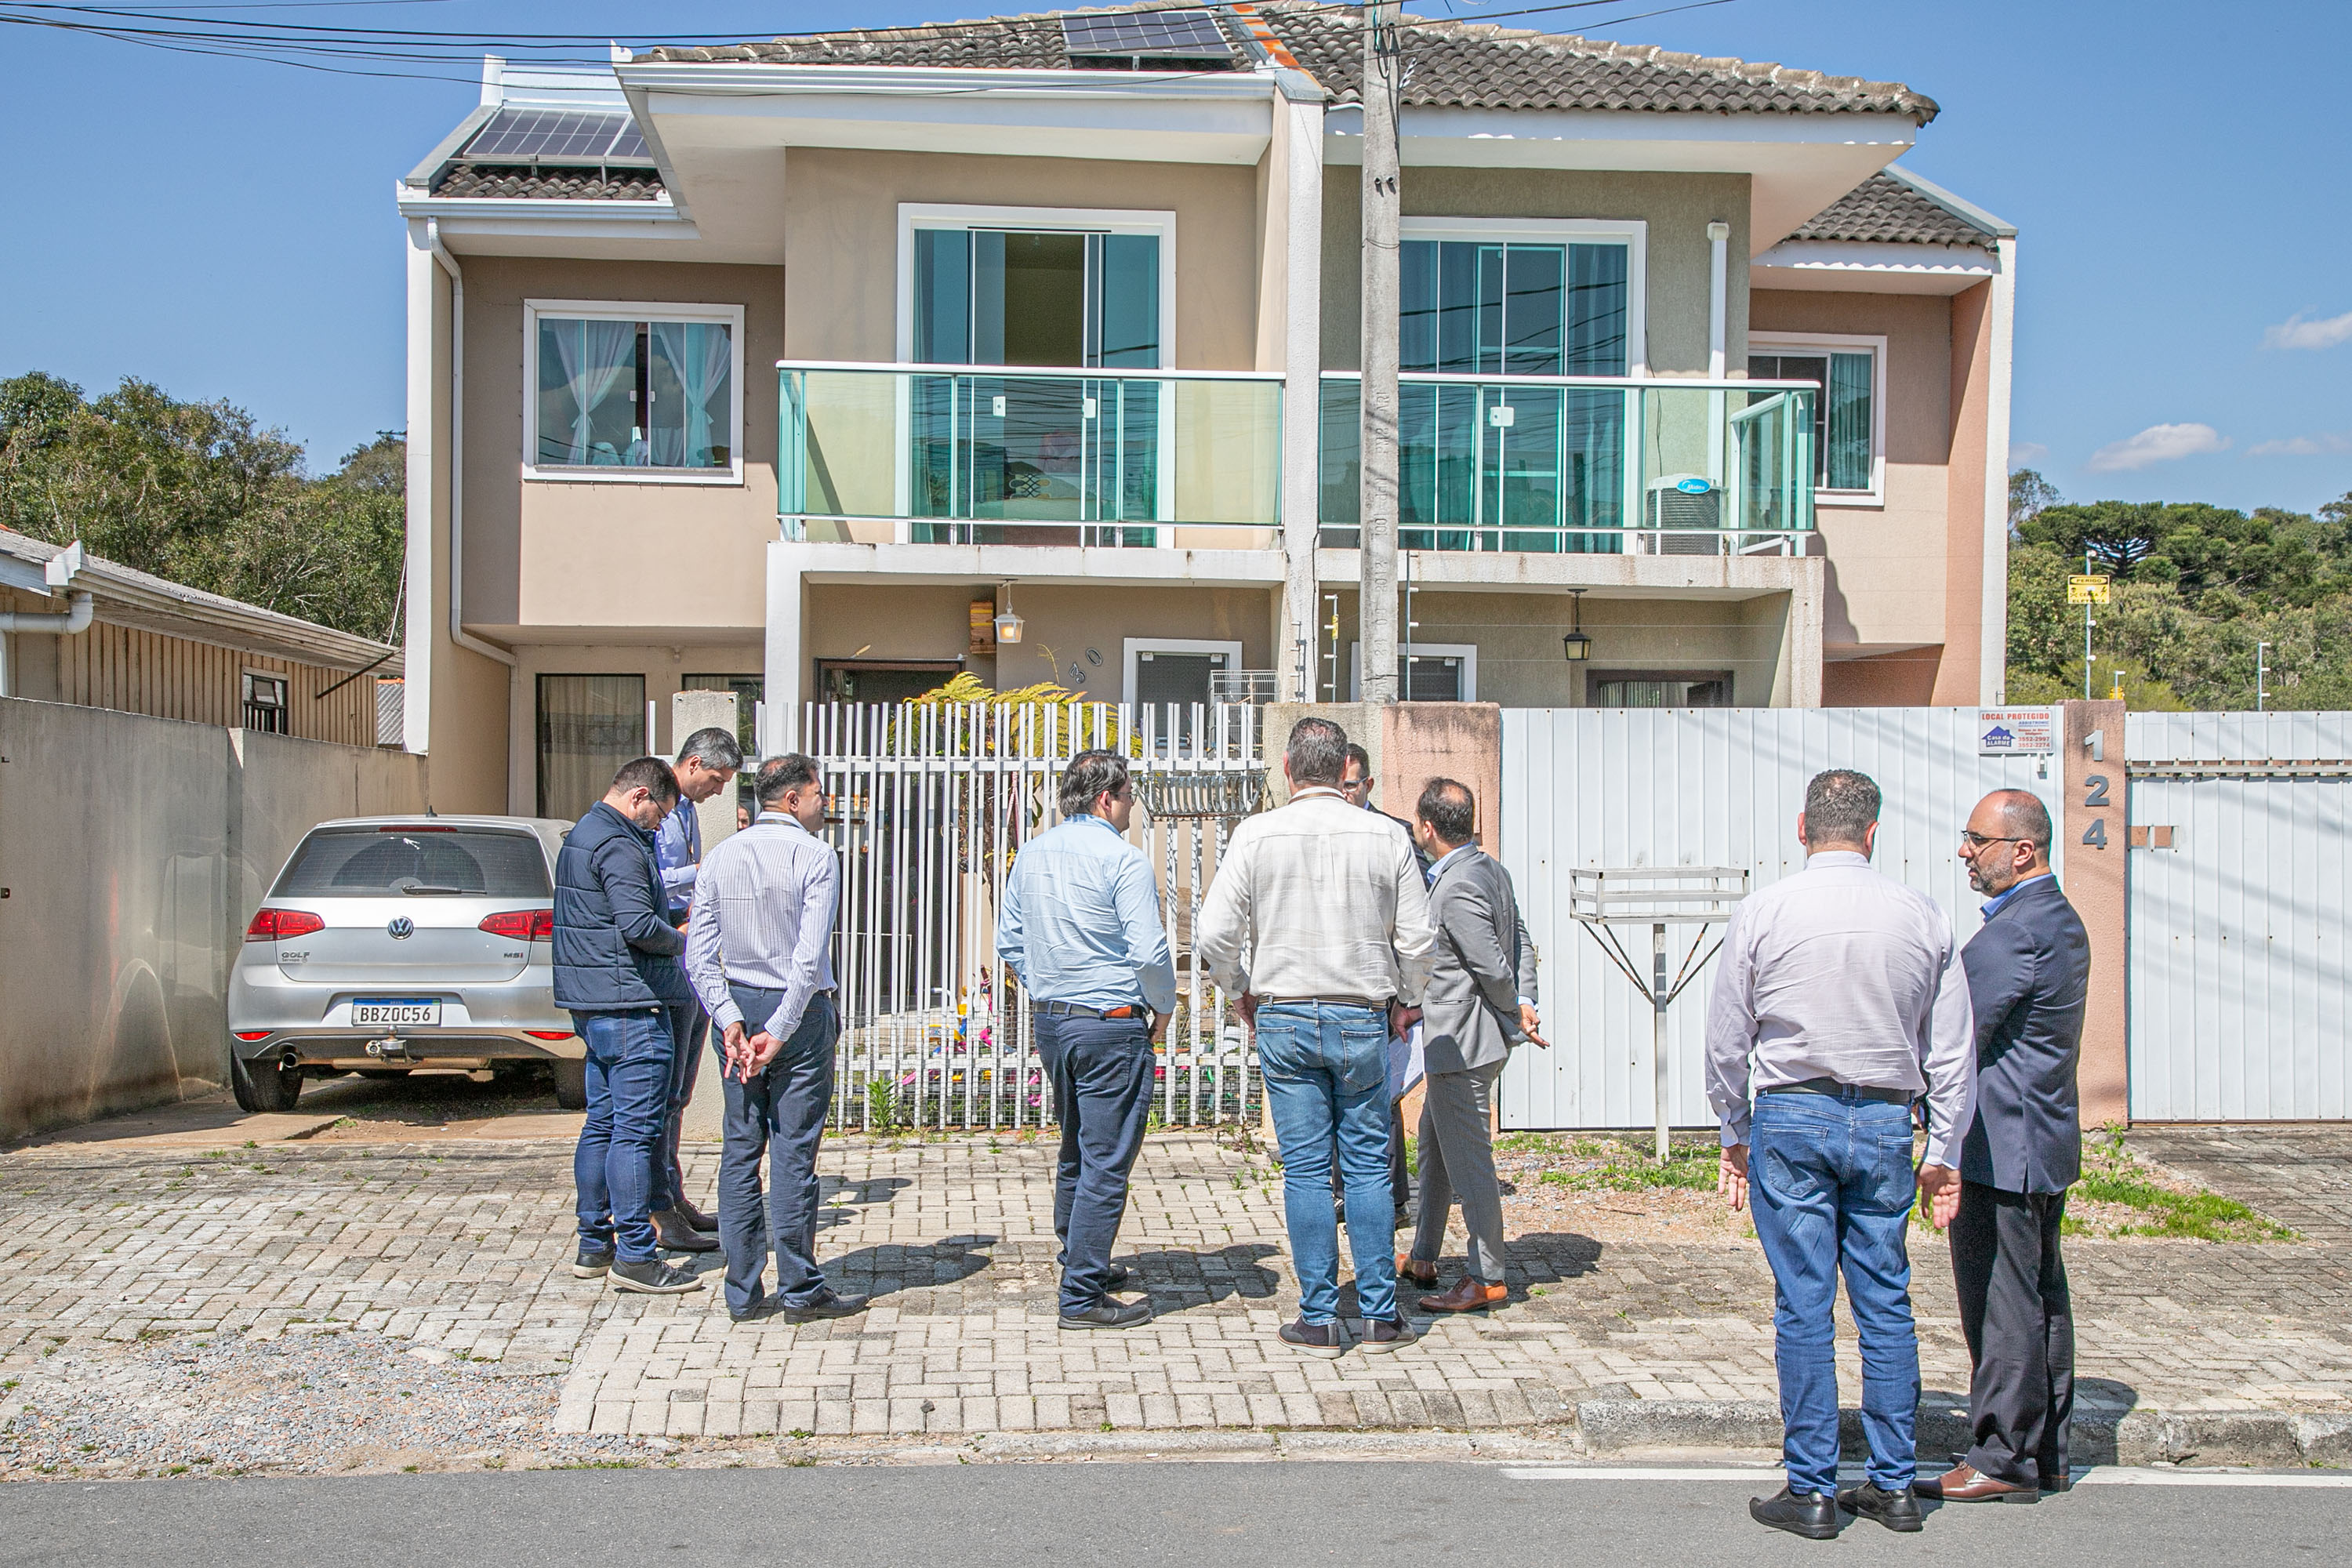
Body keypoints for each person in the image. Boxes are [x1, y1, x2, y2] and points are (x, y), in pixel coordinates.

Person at [1704, 768, 1975, 1539]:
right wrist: (1943, 1146)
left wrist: (1733, 1127)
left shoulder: (1765, 911)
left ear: (1801, 827)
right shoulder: (1921, 914)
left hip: (1791, 1111)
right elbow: (1953, 1048)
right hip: (1888, 1116)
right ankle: (1894, 1485)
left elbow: (1729, 1037)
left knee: (1805, 1301)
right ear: (1872, 831)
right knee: (1885, 1295)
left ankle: (1813, 1486)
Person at [1197, 717, 1435, 1359]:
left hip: (1285, 1010)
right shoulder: (1386, 837)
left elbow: (1213, 934)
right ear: (1343, 771)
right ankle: (1382, 1316)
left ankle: (1320, 1316)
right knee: (1367, 1165)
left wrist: (1238, 988)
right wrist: (1407, 1000)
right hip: (1362, 1011)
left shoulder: (1257, 834)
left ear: (1286, 767)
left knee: (1305, 1168)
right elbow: (1418, 939)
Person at [1918, 789, 2089, 1502]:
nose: (1964, 851)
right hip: (2039, 1141)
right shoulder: (2057, 919)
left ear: (2023, 850)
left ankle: (2000, 1459)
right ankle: (2043, 1451)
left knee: (2002, 1304)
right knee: (2040, 1300)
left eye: (1977, 840)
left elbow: (1957, 1033)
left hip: (2000, 1146)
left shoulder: (2018, 930)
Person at [684, 753, 867, 1324]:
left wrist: (729, 1019)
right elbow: (808, 959)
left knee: (740, 1150)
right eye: (818, 794)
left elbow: (698, 952)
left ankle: (741, 1291)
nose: (823, 803)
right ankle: (799, 1288)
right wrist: (780, 1032)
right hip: (798, 1014)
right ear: (793, 798)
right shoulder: (815, 856)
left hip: (739, 1003)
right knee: (793, 1151)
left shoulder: (721, 856)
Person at [996, 750, 1177, 1330]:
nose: (1132, 806)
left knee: (1078, 1143)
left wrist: (1049, 982)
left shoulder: (1032, 855)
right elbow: (1150, 952)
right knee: (1106, 1158)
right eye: (1128, 795)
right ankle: (1080, 1295)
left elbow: (1010, 940)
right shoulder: (1122, 861)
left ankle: (1081, 1257)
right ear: (1107, 797)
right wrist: (1166, 1006)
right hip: (1109, 1020)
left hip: (1055, 1020)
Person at [554, 757, 704, 1295]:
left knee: (603, 1124)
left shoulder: (583, 834)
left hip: (595, 1004)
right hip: (631, 1004)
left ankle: (595, 1245)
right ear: (640, 796)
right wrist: (685, 940)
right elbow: (639, 925)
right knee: (637, 1134)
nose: (660, 826)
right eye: (660, 815)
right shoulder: (618, 843)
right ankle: (637, 1256)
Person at [1399, 779, 1546, 1313]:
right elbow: (1522, 940)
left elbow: (1489, 963)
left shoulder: (1456, 884)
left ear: (1428, 828)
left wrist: (1515, 1006)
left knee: (1471, 1166)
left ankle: (1487, 1276)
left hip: (1463, 1042)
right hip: (1468, 1041)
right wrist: (1525, 998)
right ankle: (1423, 1255)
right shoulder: (1490, 870)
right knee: (1435, 1149)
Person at [648, 724, 743, 1254]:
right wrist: (704, 871)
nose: (718, 790)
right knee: (664, 1094)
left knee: (679, 1093)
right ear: (693, 764)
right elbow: (653, 881)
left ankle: (673, 1195)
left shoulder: (683, 811)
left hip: (689, 957)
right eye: (716, 778)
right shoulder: (659, 807)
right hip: (666, 955)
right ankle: (659, 1210)